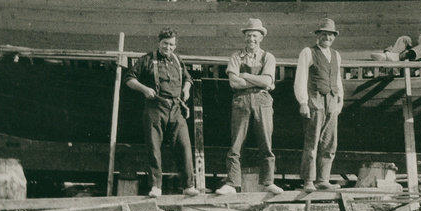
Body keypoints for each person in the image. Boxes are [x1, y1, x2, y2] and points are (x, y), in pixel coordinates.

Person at [125, 28, 200, 198]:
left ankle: (188, 185)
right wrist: (144, 89)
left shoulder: (177, 60)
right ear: (159, 42)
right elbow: (129, 79)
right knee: (153, 147)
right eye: (165, 43)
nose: (168, 47)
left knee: (184, 147)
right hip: (155, 108)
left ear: (175, 45)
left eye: (172, 44)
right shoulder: (147, 60)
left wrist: (186, 89)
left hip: (176, 109)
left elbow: (188, 78)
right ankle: (156, 186)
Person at [216, 19, 283, 196]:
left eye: (254, 35)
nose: (251, 39)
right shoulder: (236, 57)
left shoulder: (268, 57)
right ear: (244, 37)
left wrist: (244, 75)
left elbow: (268, 81)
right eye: (248, 35)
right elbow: (234, 82)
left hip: (263, 100)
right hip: (241, 100)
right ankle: (231, 183)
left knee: (266, 142)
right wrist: (255, 80)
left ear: (261, 37)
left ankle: (268, 181)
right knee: (237, 142)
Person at [294, 18, 344, 192]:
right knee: (312, 142)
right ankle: (308, 180)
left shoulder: (336, 55)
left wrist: (340, 100)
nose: (327, 37)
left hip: (332, 100)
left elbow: (337, 78)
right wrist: (303, 102)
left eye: (330, 35)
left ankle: (323, 179)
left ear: (334, 37)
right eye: (324, 34)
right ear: (318, 35)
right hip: (314, 99)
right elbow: (300, 78)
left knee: (330, 142)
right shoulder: (308, 52)